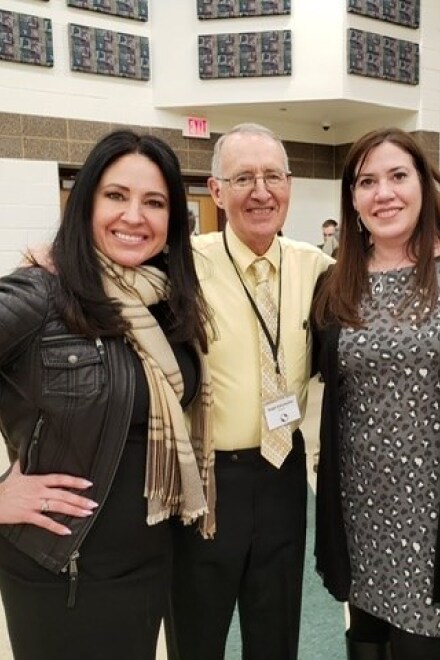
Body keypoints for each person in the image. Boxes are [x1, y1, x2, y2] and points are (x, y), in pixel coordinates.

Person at [0, 130, 209, 659]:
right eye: (116, 195)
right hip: (65, 564)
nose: (135, 216)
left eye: (154, 202)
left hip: (152, 555)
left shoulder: (165, 302)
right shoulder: (36, 295)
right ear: (84, 204)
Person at [311, 127, 440, 660]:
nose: (383, 193)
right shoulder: (338, 281)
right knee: (365, 632)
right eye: (366, 181)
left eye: (397, 176)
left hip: (434, 501)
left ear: (424, 183)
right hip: (359, 494)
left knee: (419, 640)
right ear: (352, 198)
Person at [166, 123, 333, 660]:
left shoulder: (319, 268)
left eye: (272, 176)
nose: (261, 191)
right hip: (208, 477)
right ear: (217, 191)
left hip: (284, 473)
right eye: (243, 178)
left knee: (276, 627)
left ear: (289, 184)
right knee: (198, 629)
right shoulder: (182, 265)